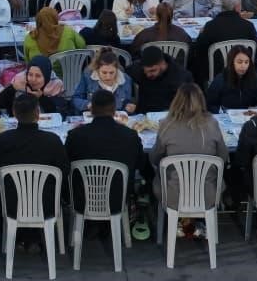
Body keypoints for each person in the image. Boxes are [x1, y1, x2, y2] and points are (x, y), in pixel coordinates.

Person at [0, 93, 68, 241]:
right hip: (46, 204)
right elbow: (64, 172)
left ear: (14, 113)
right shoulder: (53, 141)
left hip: (10, 204)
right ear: (38, 114)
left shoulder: (0, 141)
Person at [149, 83, 227, 227]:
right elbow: (223, 157)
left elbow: (154, 158)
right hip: (207, 194)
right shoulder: (212, 123)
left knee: (155, 176)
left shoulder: (166, 125)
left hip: (174, 195)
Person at [65, 88, 148, 213]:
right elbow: (141, 164)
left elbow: (66, 164)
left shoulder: (75, 135)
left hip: (83, 198)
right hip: (118, 198)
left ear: (91, 109)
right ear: (115, 111)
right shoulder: (130, 135)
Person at [190, 0, 257, 85]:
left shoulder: (210, 26)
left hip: (216, 71)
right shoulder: (248, 26)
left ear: (222, 7)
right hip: (243, 69)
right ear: (238, 7)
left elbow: (200, 49)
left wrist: (201, 34)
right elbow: (254, 50)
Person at [0, 55, 66, 114]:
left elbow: (59, 113)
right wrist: (12, 88)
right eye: (30, 74)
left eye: (38, 76)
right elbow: (0, 104)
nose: (33, 79)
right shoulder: (20, 80)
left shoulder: (54, 85)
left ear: (46, 76)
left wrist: (41, 97)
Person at [127, 44, 186, 114]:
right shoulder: (138, 70)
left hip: (169, 114)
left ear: (163, 64)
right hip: (143, 115)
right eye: (145, 71)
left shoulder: (180, 77)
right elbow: (125, 72)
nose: (148, 75)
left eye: (152, 70)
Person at [205, 45, 257, 111]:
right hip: (226, 117)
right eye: (239, 62)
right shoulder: (221, 80)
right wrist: (222, 110)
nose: (243, 66)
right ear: (231, 62)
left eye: (246, 62)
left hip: (248, 117)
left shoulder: (255, 80)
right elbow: (209, 105)